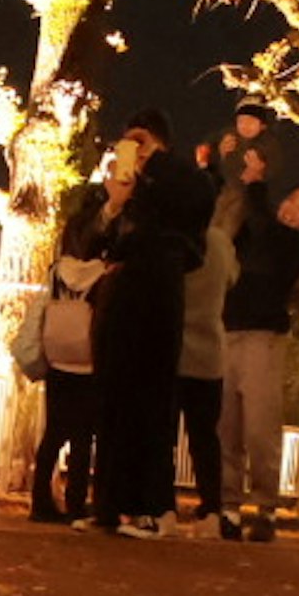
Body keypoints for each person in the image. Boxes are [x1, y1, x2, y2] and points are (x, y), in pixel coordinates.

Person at [89, 110, 215, 537]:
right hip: (120, 288)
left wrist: (154, 161)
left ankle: (155, 507)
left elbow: (201, 198)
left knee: (150, 394)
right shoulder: (130, 188)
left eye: (141, 142)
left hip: (159, 283)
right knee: (113, 397)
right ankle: (110, 504)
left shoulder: (180, 177)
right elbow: (94, 241)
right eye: (129, 143)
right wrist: (113, 203)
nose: (134, 151)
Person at [218, 159, 299, 542]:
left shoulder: (292, 243)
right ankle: (227, 506)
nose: (292, 208)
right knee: (227, 425)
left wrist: (257, 182)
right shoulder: (251, 233)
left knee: (259, 427)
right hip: (228, 331)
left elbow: (263, 225)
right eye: (291, 199)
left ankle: (265, 508)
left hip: (263, 339)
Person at [28, 187, 111, 525]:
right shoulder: (103, 274)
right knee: (82, 436)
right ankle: (76, 503)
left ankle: (39, 501)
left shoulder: (56, 271)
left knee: (53, 434)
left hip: (58, 356)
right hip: (88, 361)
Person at [178, 184, 243, 536]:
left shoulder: (176, 239)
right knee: (205, 436)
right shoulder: (220, 243)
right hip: (210, 350)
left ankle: (160, 505)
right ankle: (211, 507)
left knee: (164, 433)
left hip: (175, 347)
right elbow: (232, 277)